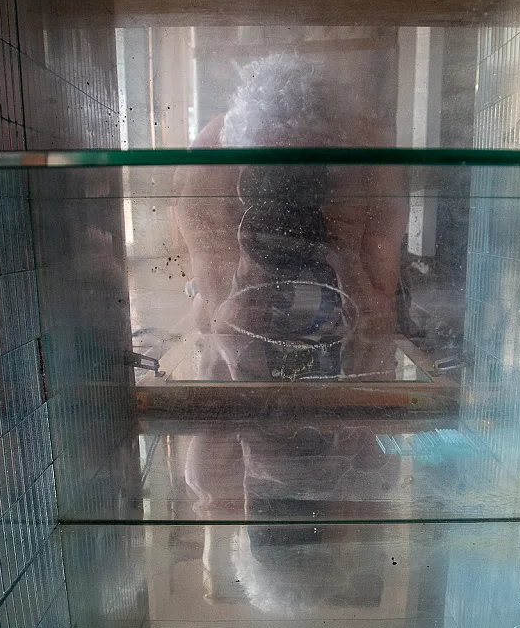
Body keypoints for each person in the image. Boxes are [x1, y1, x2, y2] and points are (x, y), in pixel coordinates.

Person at [171, 53, 408, 522]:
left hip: (339, 320)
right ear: (241, 162)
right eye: (267, 181)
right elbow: (223, 314)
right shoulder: (212, 168)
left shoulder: (368, 155)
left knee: (359, 455)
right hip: (239, 328)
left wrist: (342, 249)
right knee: (214, 475)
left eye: (315, 178)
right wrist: (247, 263)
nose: (291, 197)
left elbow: (376, 315)